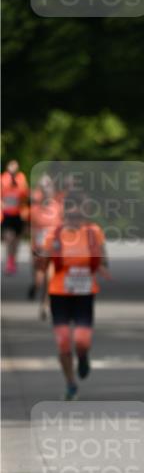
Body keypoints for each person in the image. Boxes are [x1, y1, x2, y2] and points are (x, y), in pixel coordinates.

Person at [35, 191, 109, 400]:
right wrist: (44, 301)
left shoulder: (93, 232)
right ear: (65, 213)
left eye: (79, 215)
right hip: (59, 294)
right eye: (70, 215)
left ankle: (83, 356)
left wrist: (101, 262)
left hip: (84, 293)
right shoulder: (54, 235)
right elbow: (46, 267)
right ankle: (70, 383)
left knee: (82, 341)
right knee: (63, 342)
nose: (75, 219)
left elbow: (102, 257)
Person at [28, 174, 63, 301]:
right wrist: (32, 247)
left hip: (53, 247)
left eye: (49, 187)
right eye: (44, 187)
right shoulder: (34, 209)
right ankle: (35, 287)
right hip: (39, 248)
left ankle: (46, 303)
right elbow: (30, 229)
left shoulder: (58, 206)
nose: (47, 190)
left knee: (50, 277)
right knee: (39, 279)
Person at [2, 159, 29, 275]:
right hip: (7, 213)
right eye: (11, 166)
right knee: (9, 238)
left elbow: (25, 194)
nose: (13, 168)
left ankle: (13, 259)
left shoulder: (21, 178)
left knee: (17, 240)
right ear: (8, 167)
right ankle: (9, 260)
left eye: (15, 166)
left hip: (19, 213)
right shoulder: (3, 178)